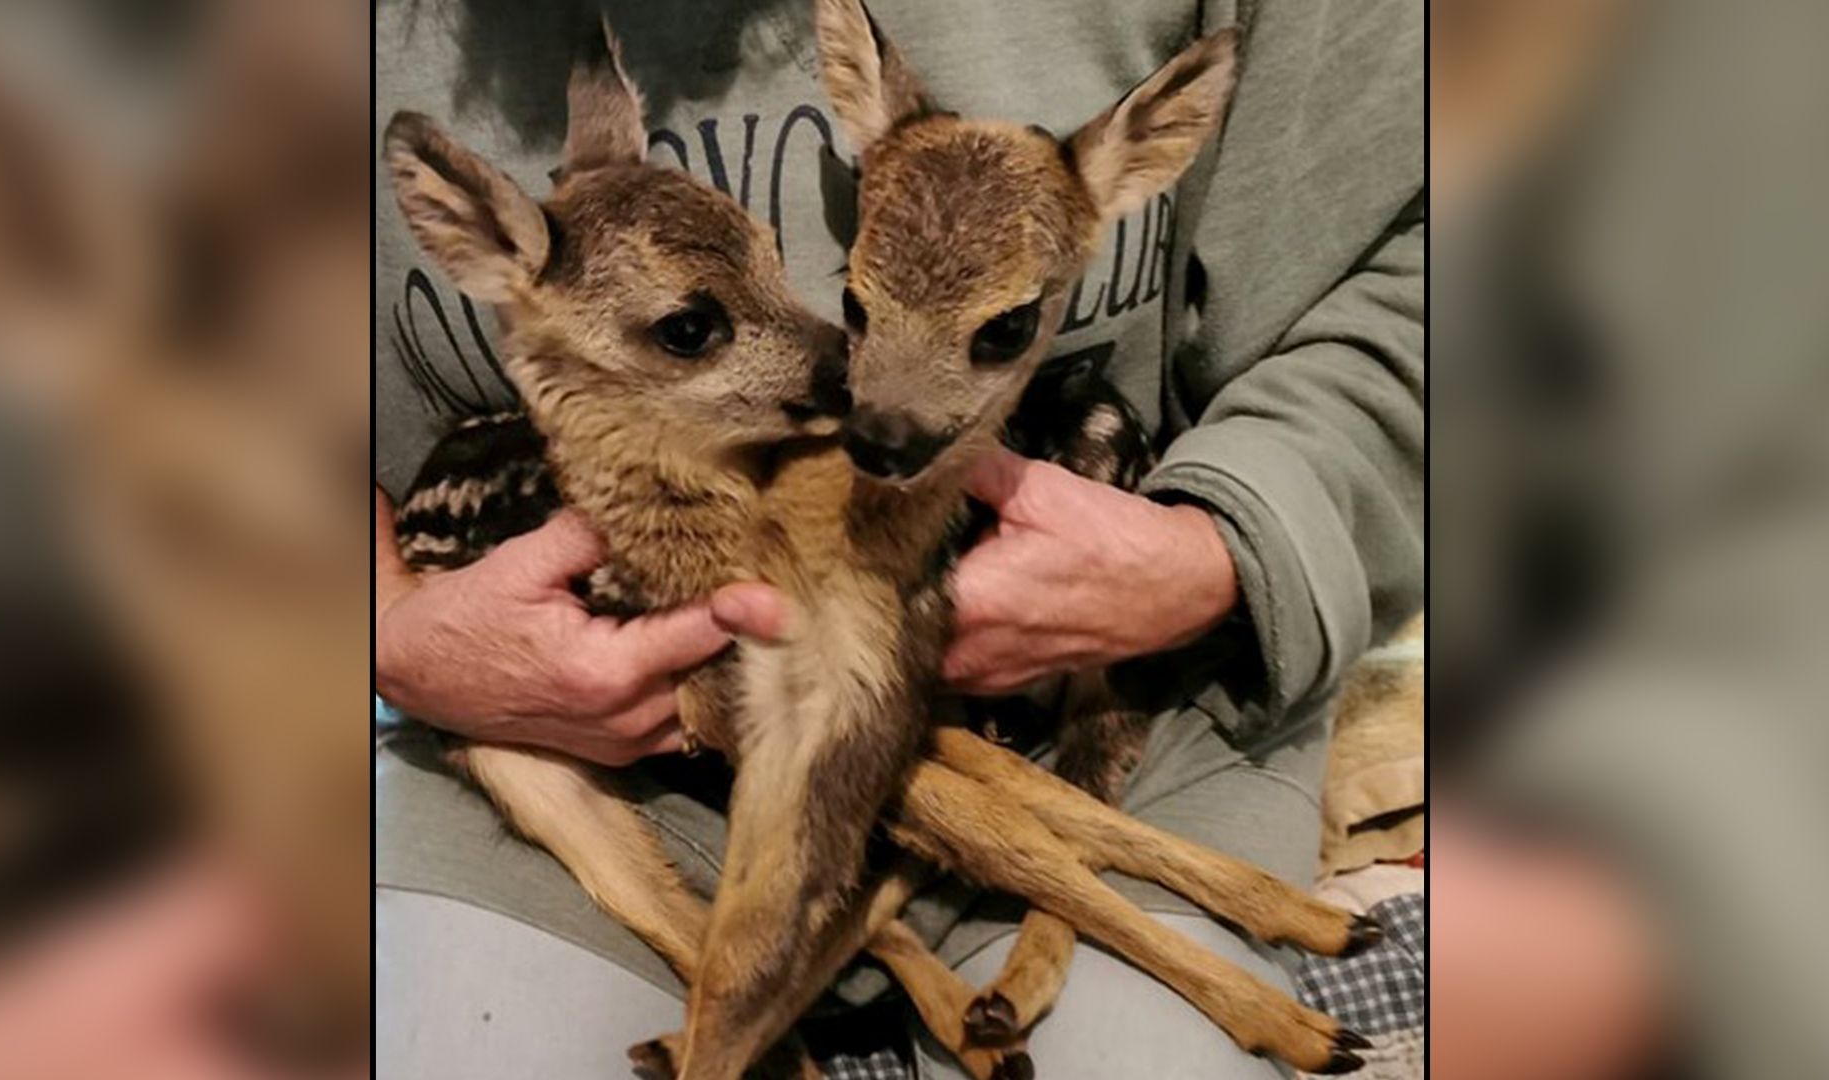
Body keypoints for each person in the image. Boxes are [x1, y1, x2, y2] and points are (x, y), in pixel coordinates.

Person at [372, 1, 1422, 1076]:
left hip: (1119, 687)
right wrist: (381, 621)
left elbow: (1425, 280)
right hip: (544, 711)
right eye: (859, 310)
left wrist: (1221, 546)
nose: (847, 375)